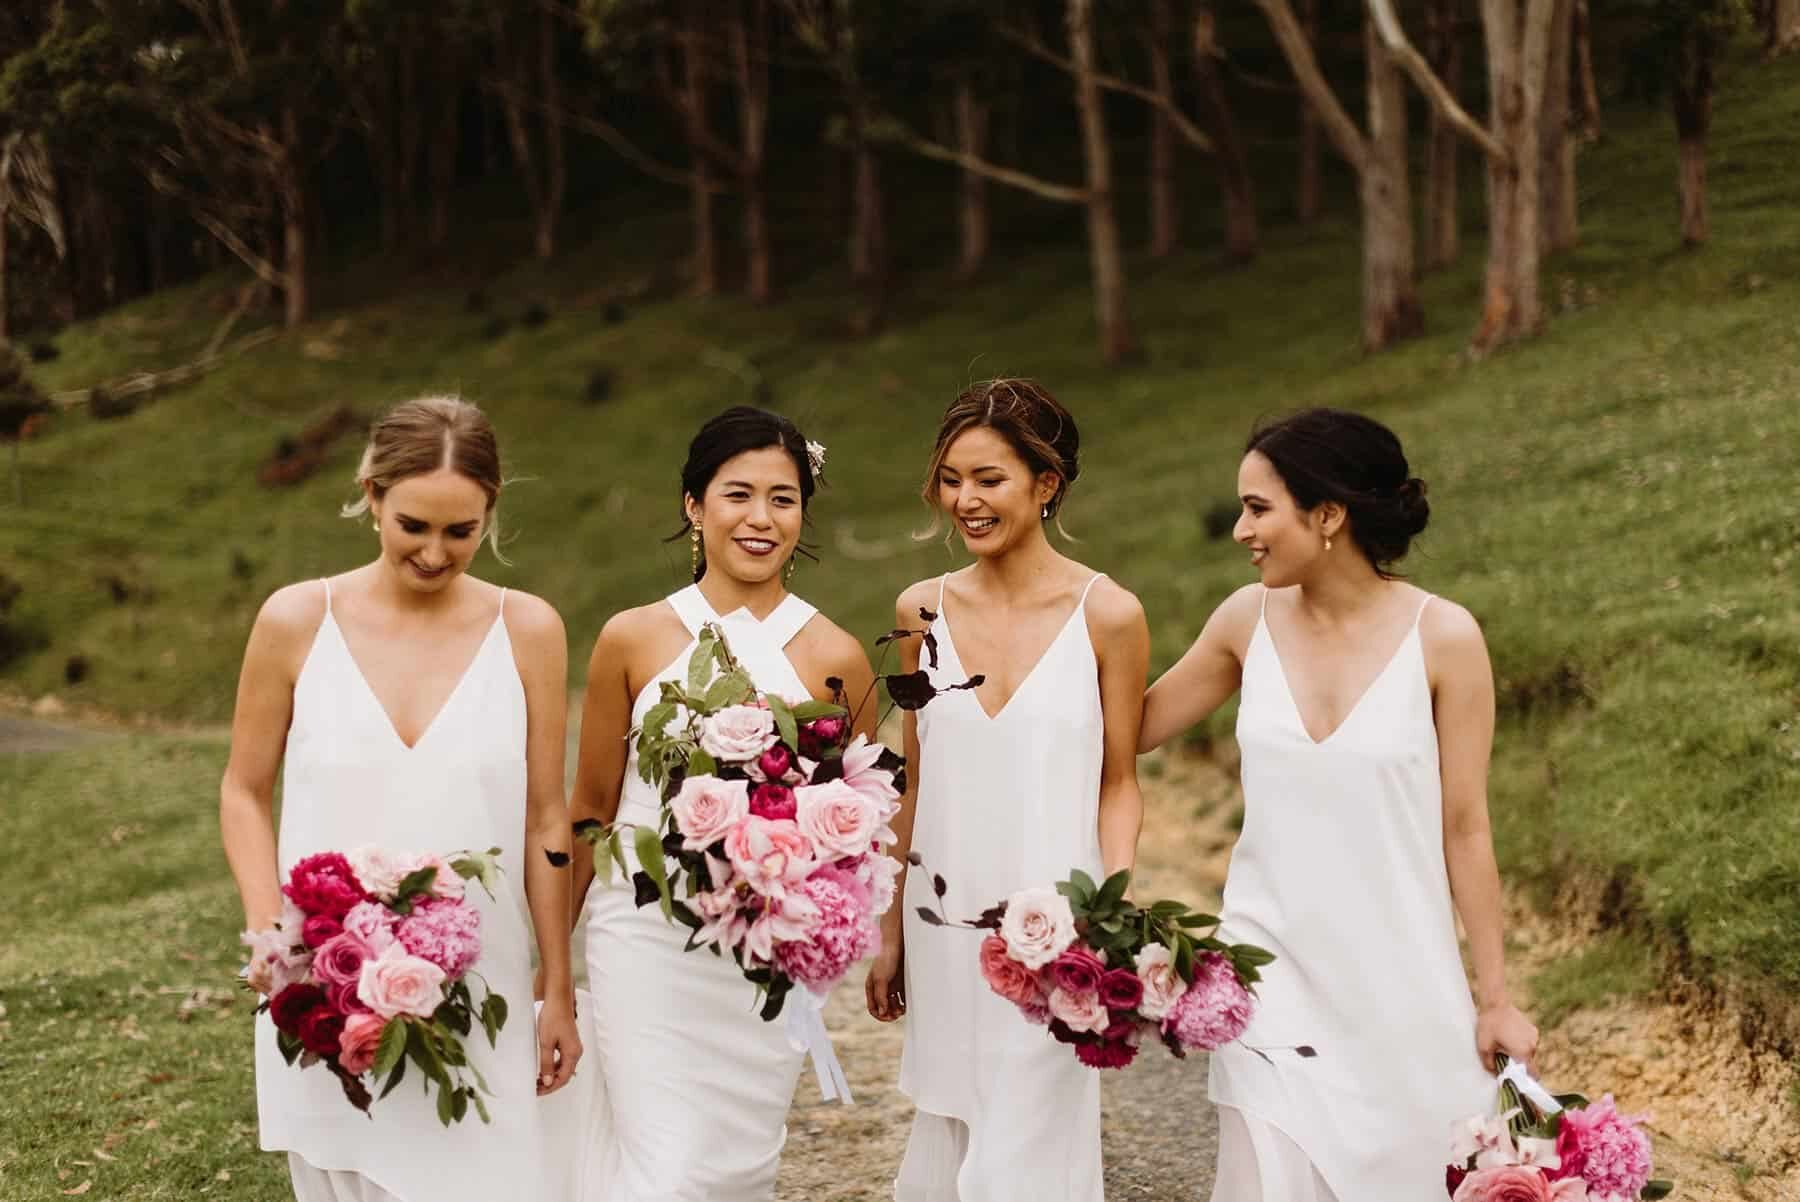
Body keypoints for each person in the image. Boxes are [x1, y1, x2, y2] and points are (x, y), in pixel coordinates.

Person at [1138, 407, 1538, 1201]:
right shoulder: (1243, 621)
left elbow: (1467, 827)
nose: (1241, 531)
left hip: (1403, 983)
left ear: (1327, 514)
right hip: (1266, 975)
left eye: (1259, 509)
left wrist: (1495, 1000)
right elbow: (1127, 731)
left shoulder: (1446, 637)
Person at [220, 396, 581, 1201]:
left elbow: (546, 821)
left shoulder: (529, 629)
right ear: (371, 493)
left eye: (462, 530)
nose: (434, 552)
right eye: (414, 524)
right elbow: (244, 791)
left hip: (480, 981)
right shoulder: (295, 620)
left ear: (492, 511)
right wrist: (265, 935)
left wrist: (556, 988)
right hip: (327, 978)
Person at [568, 406, 877, 1202]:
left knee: (732, 1169)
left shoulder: (836, 654)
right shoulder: (632, 638)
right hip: (641, 940)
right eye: (738, 494)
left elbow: (865, 818)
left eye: (783, 498)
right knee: (664, 1171)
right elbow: (590, 809)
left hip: (760, 956)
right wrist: (549, 968)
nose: (760, 518)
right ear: (692, 505)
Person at [866, 379, 1149, 1202]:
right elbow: (910, 781)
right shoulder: (919, 611)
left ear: (1046, 483)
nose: (965, 500)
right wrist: (891, 932)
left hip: (1057, 928)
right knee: (960, 1120)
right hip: (946, 919)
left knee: (1029, 1137)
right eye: (952, 480)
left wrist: (1109, 910)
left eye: (988, 479)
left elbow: (1121, 781)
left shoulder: (1111, 614)